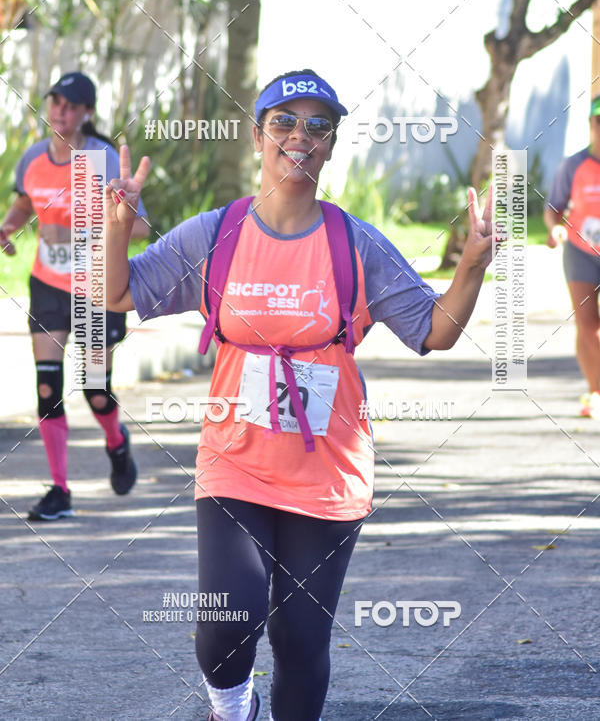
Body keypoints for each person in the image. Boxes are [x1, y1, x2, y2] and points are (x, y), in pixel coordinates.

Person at [104, 69, 493, 721]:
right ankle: (234, 707)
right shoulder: (216, 233)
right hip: (235, 459)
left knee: (300, 638)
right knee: (227, 620)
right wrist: (117, 226)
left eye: (318, 125)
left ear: (332, 144)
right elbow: (119, 293)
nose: (299, 136)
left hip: (327, 472)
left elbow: (435, 329)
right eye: (284, 121)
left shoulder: (353, 242)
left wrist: (473, 268)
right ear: (258, 135)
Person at [0, 71, 148, 521]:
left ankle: (116, 443)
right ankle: (60, 491)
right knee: (48, 387)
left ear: (87, 112)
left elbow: (140, 226)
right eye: (55, 103)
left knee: (96, 390)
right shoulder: (32, 159)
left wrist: (107, 221)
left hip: (94, 287)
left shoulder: (102, 159)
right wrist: (9, 226)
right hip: (46, 283)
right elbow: (26, 201)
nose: (60, 112)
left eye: (70, 105)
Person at [545, 94, 600, 418]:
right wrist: (555, 230)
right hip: (581, 252)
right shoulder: (574, 165)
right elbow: (553, 208)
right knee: (587, 325)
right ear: (591, 126)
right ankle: (595, 390)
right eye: (598, 122)